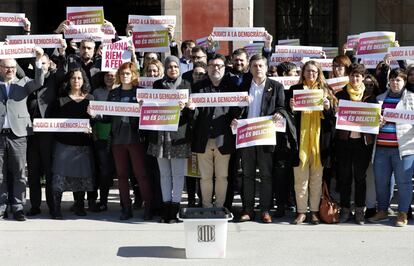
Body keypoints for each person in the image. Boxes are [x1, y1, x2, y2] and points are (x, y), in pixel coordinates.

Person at [236, 54, 285, 223]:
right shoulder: (242, 85)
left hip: (265, 135)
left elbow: (281, 107)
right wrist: (235, 116)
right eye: (254, 66)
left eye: (260, 65)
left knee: (266, 175)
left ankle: (265, 210)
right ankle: (248, 209)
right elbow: (234, 109)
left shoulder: (276, 86)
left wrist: (279, 114)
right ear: (249, 68)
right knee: (247, 174)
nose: (258, 68)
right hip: (247, 136)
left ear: (266, 67)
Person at [286, 60, 336, 225]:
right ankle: (301, 212)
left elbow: (332, 122)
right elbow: (287, 117)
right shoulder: (294, 90)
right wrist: (291, 108)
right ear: (303, 73)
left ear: (319, 73)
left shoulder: (326, 91)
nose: (311, 74)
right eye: (308, 71)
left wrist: (328, 109)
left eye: (314, 71)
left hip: (318, 143)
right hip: (300, 143)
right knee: (300, 180)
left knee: (316, 179)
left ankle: (314, 211)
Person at [0, 48, 45, 221]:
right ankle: (2, 206)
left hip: (18, 135)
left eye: (12, 67)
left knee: (19, 173)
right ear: (0, 68)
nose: (10, 70)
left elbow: (39, 81)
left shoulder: (24, 82)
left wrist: (39, 59)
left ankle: (18, 207)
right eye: (6, 67)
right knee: (0, 174)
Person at [147, 56, 193, 223]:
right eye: (170, 67)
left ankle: (175, 209)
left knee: (178, 174)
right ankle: (166, 211)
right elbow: (151, 107)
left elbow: (191, 114)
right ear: (165, 69)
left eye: (175, 66)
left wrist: (188, 108)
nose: (173, 69)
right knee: (164, 174)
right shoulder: (157, 85)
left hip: (178, 136)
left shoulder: (186, 85)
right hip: (160, 135)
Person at [106, 62, 152, 220]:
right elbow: (106, 116)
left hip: (135, 138)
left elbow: (149, 116)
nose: (125, 76)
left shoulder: (141, 93)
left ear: (134, 75)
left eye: (128, 73)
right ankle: (126, 207)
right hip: (118, 139)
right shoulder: (113, 93)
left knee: (141, 175)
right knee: (122, 175)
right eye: (122, 73)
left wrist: (143, 108)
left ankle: (148, 206)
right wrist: (94, 113)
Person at [192, 54, 239, 210]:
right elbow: (195, 115)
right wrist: (191, 108)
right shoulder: (198, 87)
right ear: (207, 68)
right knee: (205, 177)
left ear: (225, 68)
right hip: (203, 138)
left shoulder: (232, 87)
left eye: (219, 65)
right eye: (212, 65)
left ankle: (219, 207)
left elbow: (237, 111)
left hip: (224, 139)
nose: (215, 68)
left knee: (222, 176)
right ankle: (206, 206)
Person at [370, 68, 414, 227]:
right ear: (388, 81)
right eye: (393, 79)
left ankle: (402, 213)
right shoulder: (380, 98)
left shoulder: (412, 98)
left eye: (399, 80)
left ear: (404, 82)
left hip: (403, 149)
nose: (395, 83)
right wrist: (376, 122)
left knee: (404, 182)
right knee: (381, 182)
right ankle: (382, 210)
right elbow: (369, 122)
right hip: (381, 148)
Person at [335, 63, 376, 225]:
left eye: (358, 76)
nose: (354, 79)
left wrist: (377, 119)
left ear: (363, 78)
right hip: (344, 142)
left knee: (360, 177)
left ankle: (360, 210)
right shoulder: (340, 95)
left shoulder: (370, 96)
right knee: (345, 177)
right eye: (352, 76)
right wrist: (334, 112)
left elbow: (374, 119)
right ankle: (345, 209)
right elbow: (333, 118)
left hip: (362, 143)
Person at [50, 68, 94, 219]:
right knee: (59, 177)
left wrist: (93, 119)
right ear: (68, 81)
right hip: (63, 144)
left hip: (83, 145)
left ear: (84, 81)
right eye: (73, 78)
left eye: (79, 78)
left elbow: (97, 121)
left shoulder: (91, 99)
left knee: (81, 177)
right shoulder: (59, 100)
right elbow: (49, 122)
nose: (76, 81)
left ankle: (80, 206)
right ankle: (56, 209)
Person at [26, 52, 65, 217]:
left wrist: (62, 53)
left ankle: (53, 207)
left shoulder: (54, 78)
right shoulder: (28, 78)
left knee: (50, 171)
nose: (41, 66)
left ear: (50, 65)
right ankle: (35, 206)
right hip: (30, 131)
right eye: (39, 63)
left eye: (44, 63)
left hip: (48, 132)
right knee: (33, 171)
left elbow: (64, 72)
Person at [91, 71, 117, 211]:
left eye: (112, 75)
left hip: (119, 135)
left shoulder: (121, 91)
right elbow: (93, 114)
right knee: (104, 169)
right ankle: (103, 201)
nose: (109, 77)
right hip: (101, 135)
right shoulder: (97, 92)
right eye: (107, 74)